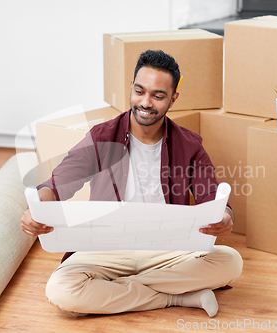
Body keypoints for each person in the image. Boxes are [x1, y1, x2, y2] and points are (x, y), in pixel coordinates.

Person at [21, 50, 243, 317]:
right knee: (60, 290)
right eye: (140, 91)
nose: (145, 102)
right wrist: (38, 208)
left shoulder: (189, 144)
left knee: (230, 261)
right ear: (131, 88)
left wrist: (225, 216)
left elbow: (212, 198)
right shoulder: (102, 136)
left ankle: (112, 292)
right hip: (105, 248)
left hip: (167, 249)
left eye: (158, 96)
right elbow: (59, 182)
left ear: (173, 98)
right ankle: (175, 296)